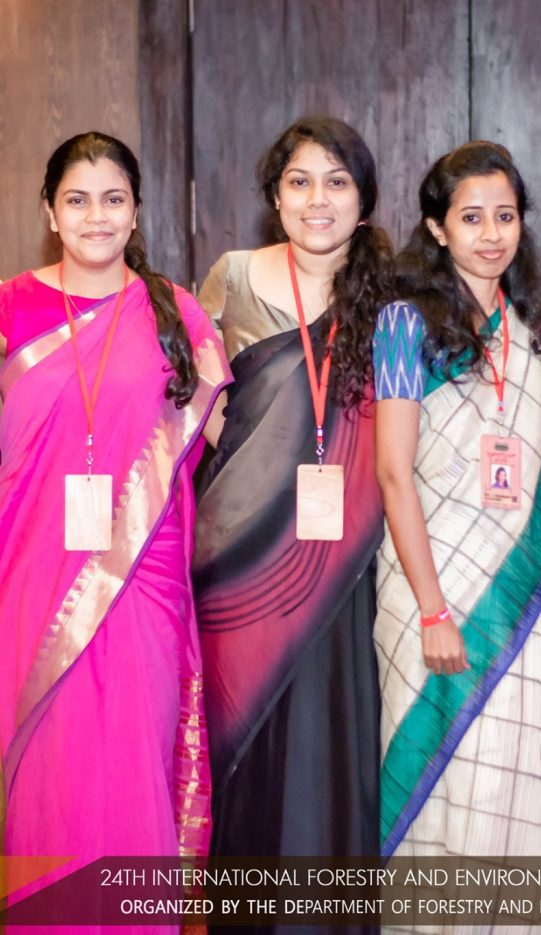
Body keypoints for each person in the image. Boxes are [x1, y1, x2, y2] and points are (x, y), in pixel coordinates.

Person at [0, 132, 231, 910]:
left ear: (135, 211)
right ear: (49, 212)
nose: (96, 216)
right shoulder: (10, 308)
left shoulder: (176, 314)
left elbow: (231, 440)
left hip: (142, 579)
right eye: (77, 200)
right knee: (46, 770)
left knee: (132, 759)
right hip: (31, 572)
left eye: (113, 199)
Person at [192, 117, 393, 877]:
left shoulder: (389, 295)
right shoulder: (234, 276)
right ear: (275, 197)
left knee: (334, 737)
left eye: (337, 183)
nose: (318, 199)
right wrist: (245, 460)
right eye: (300, 182)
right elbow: (189, 390)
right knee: (244, 734)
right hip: (240, 551)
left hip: (346, 556)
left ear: (363, 201)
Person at [373, 141, 541, 868]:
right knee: (442, 779)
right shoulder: (405, 325)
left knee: (518, 776)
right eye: (472, 217)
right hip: (429, 589)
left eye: (506, 216)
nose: (492, 235)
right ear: (437, 227)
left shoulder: (534, 331)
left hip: (520, 595)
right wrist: (432, 610)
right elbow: (392, 473)